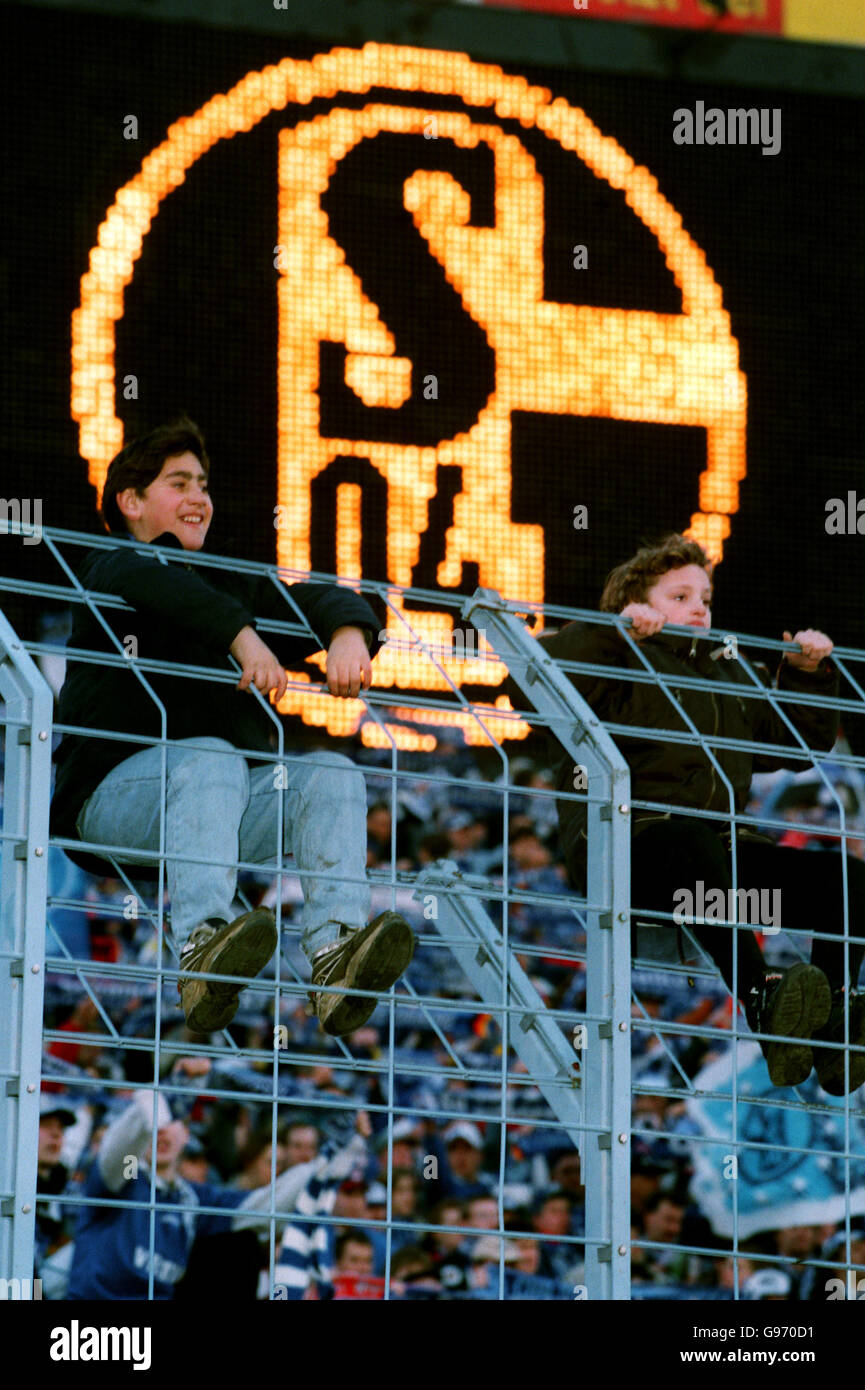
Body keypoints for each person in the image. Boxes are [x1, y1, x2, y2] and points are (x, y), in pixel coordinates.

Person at [51, 417, 415, 1037]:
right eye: (179, 483)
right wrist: (245, 638)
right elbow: (160, 586)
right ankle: (201, 950)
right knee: (213, 755)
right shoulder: (110, 562)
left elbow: (320, 596)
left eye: (204, 484)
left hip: (215, 809)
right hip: (112, 808)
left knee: (333, 772)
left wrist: (349, 633)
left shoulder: (225, 581)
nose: (199, 497)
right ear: (131, 502)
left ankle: (333, 957)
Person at [508, 534, 865, 1092]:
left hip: (717, 870)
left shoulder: (730, 673)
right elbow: (527, 688)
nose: (698, 607)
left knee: (846, 881)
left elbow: (795, 747)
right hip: (630, 853)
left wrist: (802, 672)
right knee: (691, 844)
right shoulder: (614, 653)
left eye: (704, 596)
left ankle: (832, 1024)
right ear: (637, 602)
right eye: (679, 596)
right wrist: (612, 633)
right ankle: (761, 995)